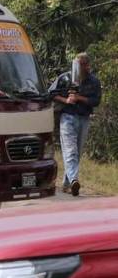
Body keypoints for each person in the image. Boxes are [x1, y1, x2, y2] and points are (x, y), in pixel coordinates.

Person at [51, 52, 101, 196]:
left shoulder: (94, 81)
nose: (82, 67)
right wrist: (65, 100)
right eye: (79, 64)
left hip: (84, 118)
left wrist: (79, 98)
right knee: (70, 151)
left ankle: (67, 184)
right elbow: (51, 93)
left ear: (87, 65)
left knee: (77, 153)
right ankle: (74, 179)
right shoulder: (65, 78)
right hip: (68, 117)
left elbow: (96, 101)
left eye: (84, 64)